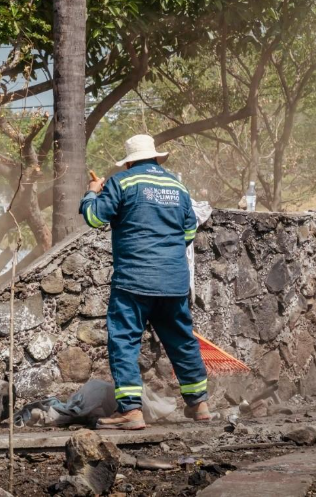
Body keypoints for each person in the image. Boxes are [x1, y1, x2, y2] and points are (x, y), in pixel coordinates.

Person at [79, 134, 209, 430]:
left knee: (124, 341)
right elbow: (189, 231)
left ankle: (130, 411)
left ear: (129, 161)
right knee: (182, 340)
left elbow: (94, 218)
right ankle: (199, 403)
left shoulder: (122, 182)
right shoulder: (177, 186)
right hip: (174, 281)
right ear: (155, 157)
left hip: (134, 280)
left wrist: (92, 193)